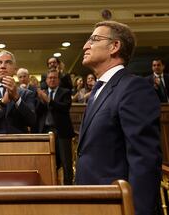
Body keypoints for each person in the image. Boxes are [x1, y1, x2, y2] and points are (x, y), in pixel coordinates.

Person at [75, 21, 162, 215]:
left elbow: (144, 160)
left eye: (94, 39)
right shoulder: (99, 89)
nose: (85, 45)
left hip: (118, 205)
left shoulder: (133, 88)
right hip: (95, 202)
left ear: (114, 46)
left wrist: (136, 210)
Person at [36, 69, 74, 185]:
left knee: (66, 162)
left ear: (58, 80)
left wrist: (49, 100)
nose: (52, 80)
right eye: (50, 78)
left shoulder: (65, 92)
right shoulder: (41, 93)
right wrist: (42, 101)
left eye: (54, 78)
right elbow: (37, 111)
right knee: (48, 162)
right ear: (46, 80)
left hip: (62, 131)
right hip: (46, 131)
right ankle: (50, 186)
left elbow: (64, 107)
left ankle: (69, 189)